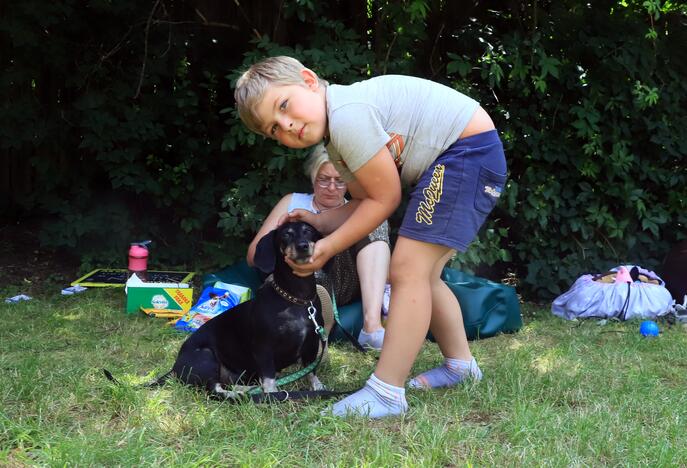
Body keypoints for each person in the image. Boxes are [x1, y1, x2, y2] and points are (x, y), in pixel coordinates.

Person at [234, 56, 507, 418]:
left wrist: (328, 245)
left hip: (466, 153)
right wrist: (322, 219)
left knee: (407, 270)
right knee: (424, 274)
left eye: (283, 105)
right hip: (468, 154)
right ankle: (460, 365)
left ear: (309, 79)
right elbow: (365, 200)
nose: (286, 125)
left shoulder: (347, 114)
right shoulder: (336, 139)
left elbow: (386, 199)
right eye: (274, 129)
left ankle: (386, 393)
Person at [246, 144, 390, 350]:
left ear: (349, 183)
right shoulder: (292, 202)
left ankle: (372, 328)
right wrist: (286, 239)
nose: (332, 188)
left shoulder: (360, 208)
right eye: (324, 179)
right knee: (297, 278)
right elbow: (254, 256)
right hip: (296, 279)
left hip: (344, 280)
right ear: (313, 177)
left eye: (340, 181)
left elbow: (380, 269)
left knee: (376, 219)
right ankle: (315, 338)